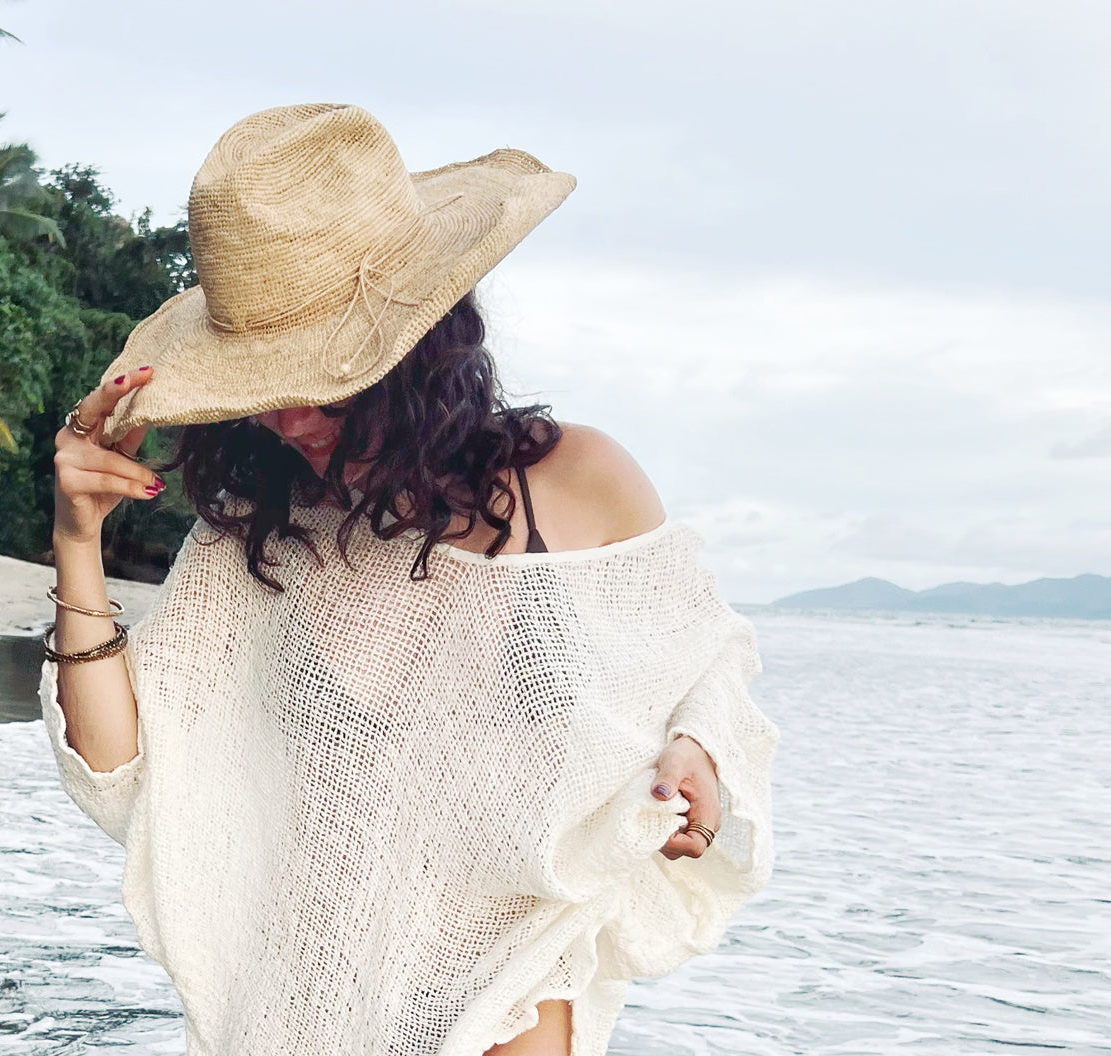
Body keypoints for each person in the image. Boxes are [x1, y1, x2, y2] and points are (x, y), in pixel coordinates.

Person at [39, 104, 778, 1056]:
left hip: (512, 994)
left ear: (421, 345)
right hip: (303, 1000)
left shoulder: (577, 482)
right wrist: (77, 540)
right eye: (264, 386)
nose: (287, 419)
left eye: (321, 376)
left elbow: (705, 655)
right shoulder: (262, 537)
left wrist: (697, 746)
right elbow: (118, 767)